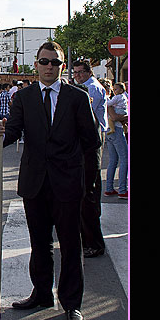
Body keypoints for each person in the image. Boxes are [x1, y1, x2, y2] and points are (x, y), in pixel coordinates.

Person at [0, 41, 101, 320]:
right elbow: (12, 131)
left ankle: (72, 303)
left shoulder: (77, 97)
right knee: (39, 243)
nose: (49, 66)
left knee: (70, 244)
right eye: (44, 61)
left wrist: (88, 182)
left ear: (63, 66)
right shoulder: (24, 97)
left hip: (67, 182)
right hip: (35, 182)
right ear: (36, 64)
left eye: (55, 62)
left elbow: (91, 140)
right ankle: (41, 294)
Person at [72, 59, 109, 258]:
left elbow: (87, 119)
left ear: (89, 72)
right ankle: (87, 240)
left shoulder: (90, 89)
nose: (77, 75)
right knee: (86, 193)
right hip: (89, 141)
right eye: (75, 72)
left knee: (89, 194)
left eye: (80, 72)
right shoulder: (84, 88)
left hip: (91, 141)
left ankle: (94, 243)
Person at [105, 82, 128, 199]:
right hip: (116, 131)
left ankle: (109, 188)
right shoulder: (110, 101)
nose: (113, 90)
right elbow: (115, 117)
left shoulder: (115, 99)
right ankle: (123, 190)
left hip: (111, 131)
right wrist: (126, 117)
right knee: (125, 159)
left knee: (113, 160)